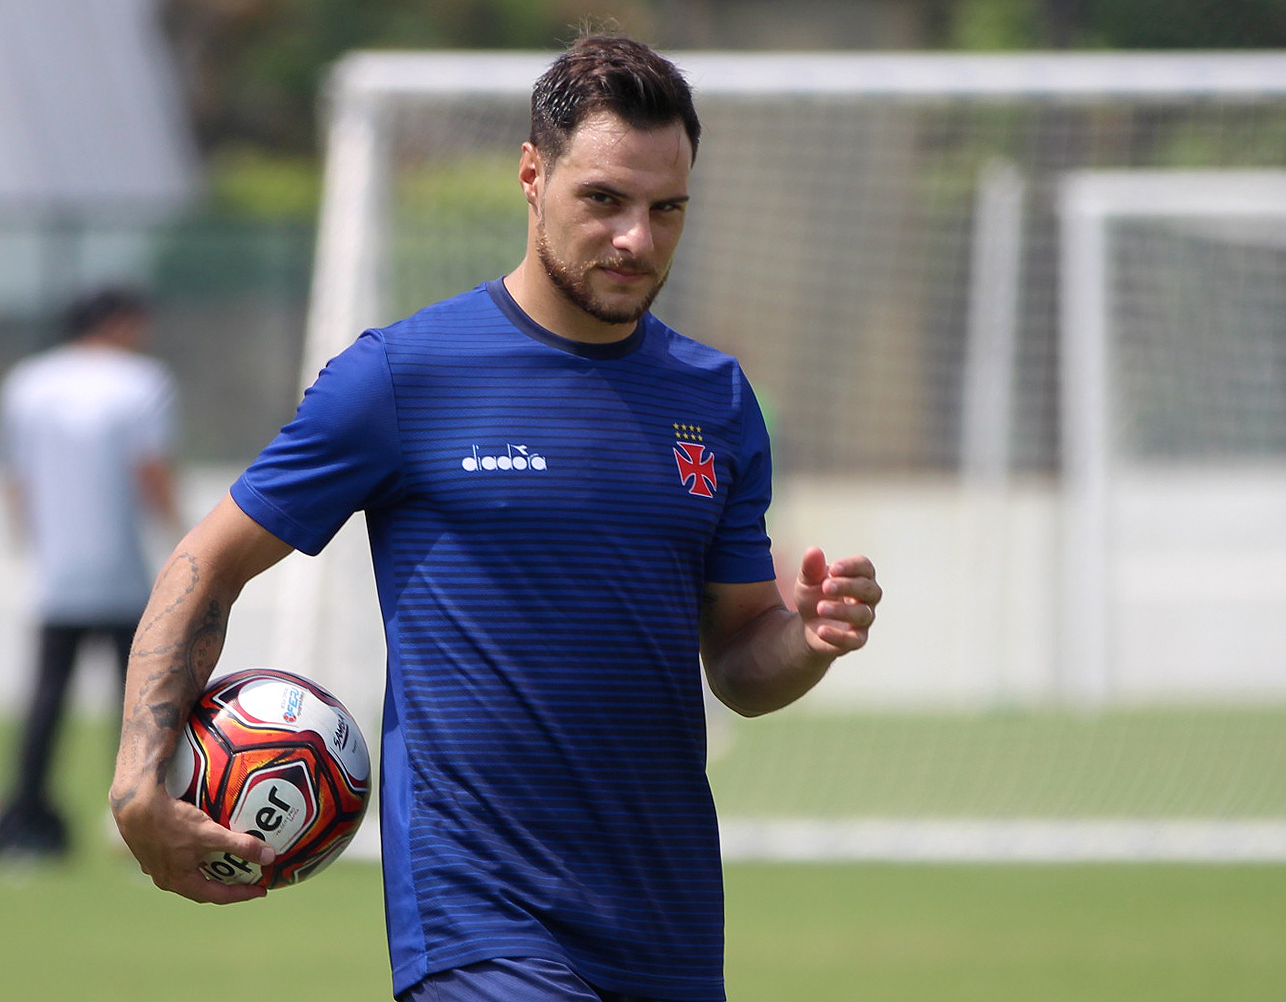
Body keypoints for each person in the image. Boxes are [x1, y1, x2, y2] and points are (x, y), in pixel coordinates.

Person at [110, 34, 882, 1002]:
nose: (636, 238)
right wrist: (142, 770)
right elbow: (207, 561)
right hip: (480, 923)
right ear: (532, 174)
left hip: (669, 922)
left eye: (666, 208)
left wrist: (806, 639)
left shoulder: (714, 399)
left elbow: (739, 665)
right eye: (603, 199)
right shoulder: (403, 376)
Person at [0, 288, 181, 858]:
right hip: (123, 571)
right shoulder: (143, 381)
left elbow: (13, 478)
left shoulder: (27, 382)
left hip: (57, 573)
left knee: (46, 699)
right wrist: (183, 539)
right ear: (118, 323)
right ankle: (145, 818)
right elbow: (150, 467)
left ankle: (24, 822)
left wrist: (28, 546)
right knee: (141, 703)